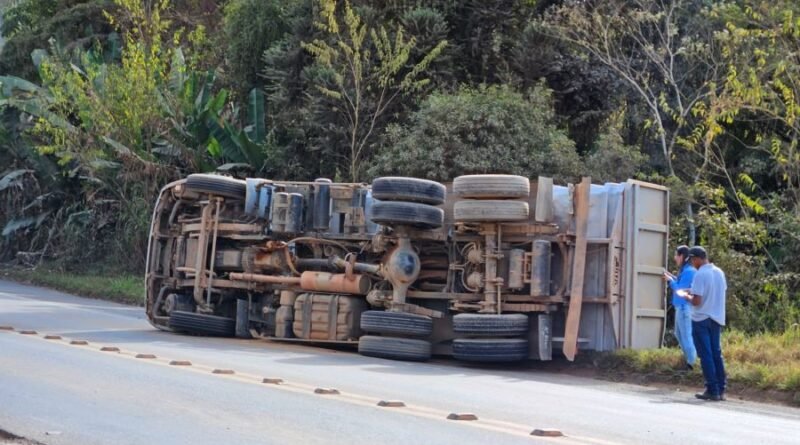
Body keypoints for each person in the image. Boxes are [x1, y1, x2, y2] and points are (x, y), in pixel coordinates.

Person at [678, 246, 728, 402]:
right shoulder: (719, 272)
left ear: (697, 258)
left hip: (701, 319)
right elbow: (710, 292)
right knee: (716, 354)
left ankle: (712, 389)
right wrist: (690, 290)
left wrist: (686, 296)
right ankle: (721, 389)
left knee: (705, 355)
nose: (693, 263)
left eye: (693, 260)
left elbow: (697, 301)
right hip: (716, 318)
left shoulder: (700, 274)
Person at [663, 245, 697, 370]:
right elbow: (681, 283)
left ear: (682, 256)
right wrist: (672, 278)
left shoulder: (689, 271)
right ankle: (689, 359)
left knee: (686, 335)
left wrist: (670, 280)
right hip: (681, 307)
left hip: (684, 307)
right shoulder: (687, 270)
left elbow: (679, 289)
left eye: (676, 255)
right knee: (679, 334)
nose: (675, 258)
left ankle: (692, 363)